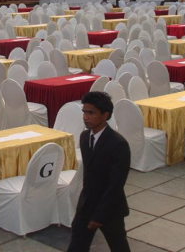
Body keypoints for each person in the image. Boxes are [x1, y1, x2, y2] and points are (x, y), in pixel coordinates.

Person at [67, 92, 131, 252]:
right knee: (77, 245)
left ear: (105, 115)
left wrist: (99, 215)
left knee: (119, 246)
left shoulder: (118, 144)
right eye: (84, 112)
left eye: (91, 113)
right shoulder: (84, 137)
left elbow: (116, 185)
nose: (85, 117)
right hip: (87, 205)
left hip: (110, 208)